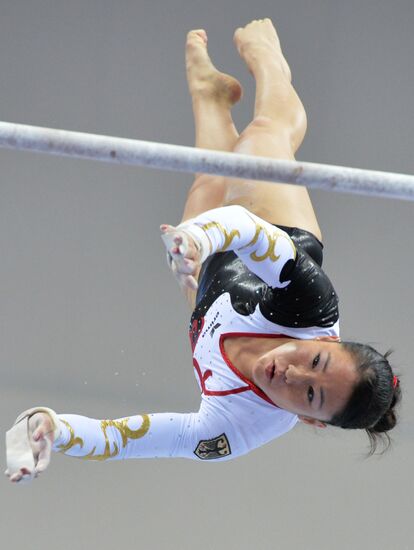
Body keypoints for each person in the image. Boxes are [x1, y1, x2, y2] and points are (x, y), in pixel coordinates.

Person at [6, 19, 401, 484]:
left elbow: (132, 439)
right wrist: (196, 240)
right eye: (315, 361)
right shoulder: (312, 305)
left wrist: (53, 428)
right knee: (262, 137)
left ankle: (209, 94)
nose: (293, 375)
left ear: (311, 421)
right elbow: (244, 230)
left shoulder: (238, 427)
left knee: (208, 178)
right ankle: (270, 62)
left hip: (211, 288)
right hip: (269, 230)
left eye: (310, 396)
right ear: (324, 341)